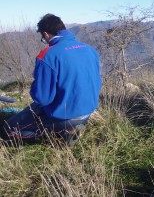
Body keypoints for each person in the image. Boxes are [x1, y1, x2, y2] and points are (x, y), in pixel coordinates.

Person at [1, 14, 102, 146]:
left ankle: (60, 134)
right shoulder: (89, 49)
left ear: (46, 34)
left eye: (43, 38)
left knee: (7, 130)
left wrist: (36, 85)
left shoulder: (47, 55)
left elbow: (42, 99)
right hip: (88, 111)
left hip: (64, 116)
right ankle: (68, 130)